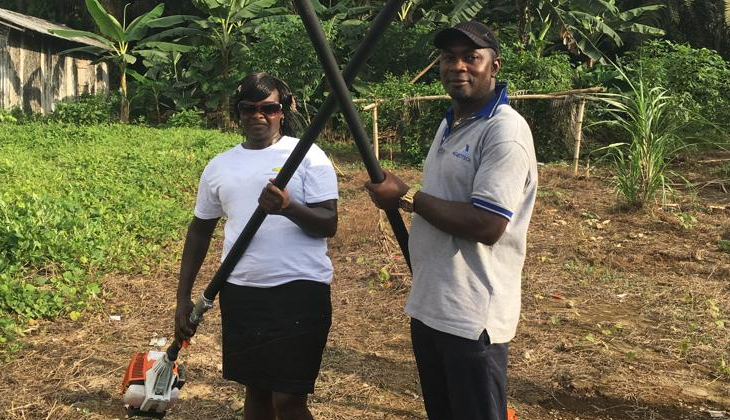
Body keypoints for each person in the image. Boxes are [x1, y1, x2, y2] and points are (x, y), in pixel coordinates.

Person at [365, 21, 537, 420]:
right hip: (432, 306)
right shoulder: (450, 122)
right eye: (448, 57)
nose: (457, 66)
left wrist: (407, 197)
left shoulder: (504, 132)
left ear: (494, 67)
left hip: (473, 316)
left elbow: (488, 224)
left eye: (471, 57)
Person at [175, 72, 338, 420]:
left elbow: (329, 223)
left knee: (288, 400)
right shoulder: (220, 166)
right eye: (249, 108)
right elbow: (200, 230)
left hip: (300, 290)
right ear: (238, 112)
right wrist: (182, 296)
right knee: (257, 390)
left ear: (283, 110)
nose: (258, 116)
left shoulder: (309, 156)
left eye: (269, 108)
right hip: (242, 293)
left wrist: (288, 207)